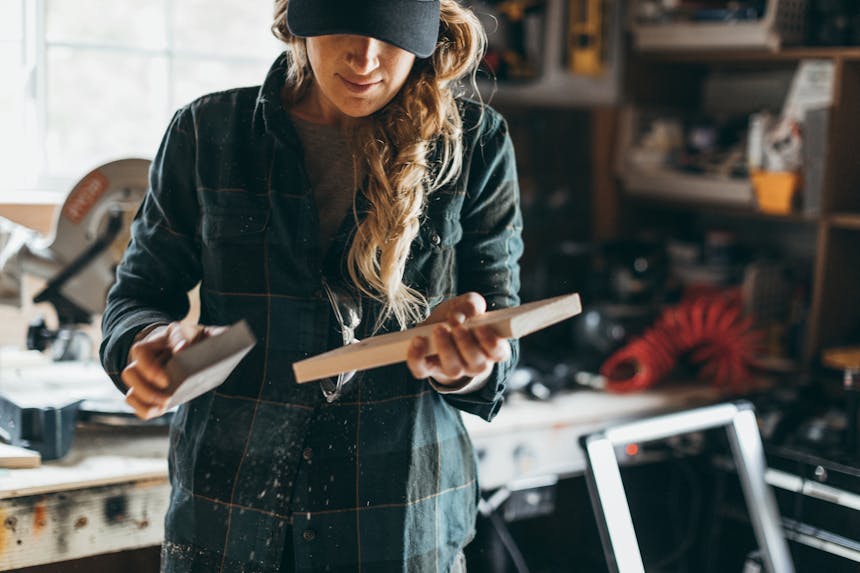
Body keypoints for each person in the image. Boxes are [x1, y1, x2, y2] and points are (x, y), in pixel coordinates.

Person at [100, 0, 523, 571]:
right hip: (228, 519)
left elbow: (501, 328)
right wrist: (147, 343)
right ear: (299, 17)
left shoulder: (475, 146)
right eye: (346, 25)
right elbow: (136, 297)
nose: (367, 57)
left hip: (397, 525)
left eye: (393, 36)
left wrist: (465, 359)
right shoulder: (207, 133)